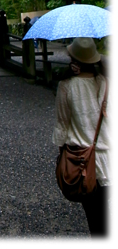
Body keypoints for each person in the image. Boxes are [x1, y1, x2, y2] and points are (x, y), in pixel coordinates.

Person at [52, 37, 109, 237]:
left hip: (83, 159)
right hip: (109, 157)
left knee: (95, 217)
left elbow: (62, 124)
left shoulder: (67, 86)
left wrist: (61, 151)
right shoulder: (105, 82)